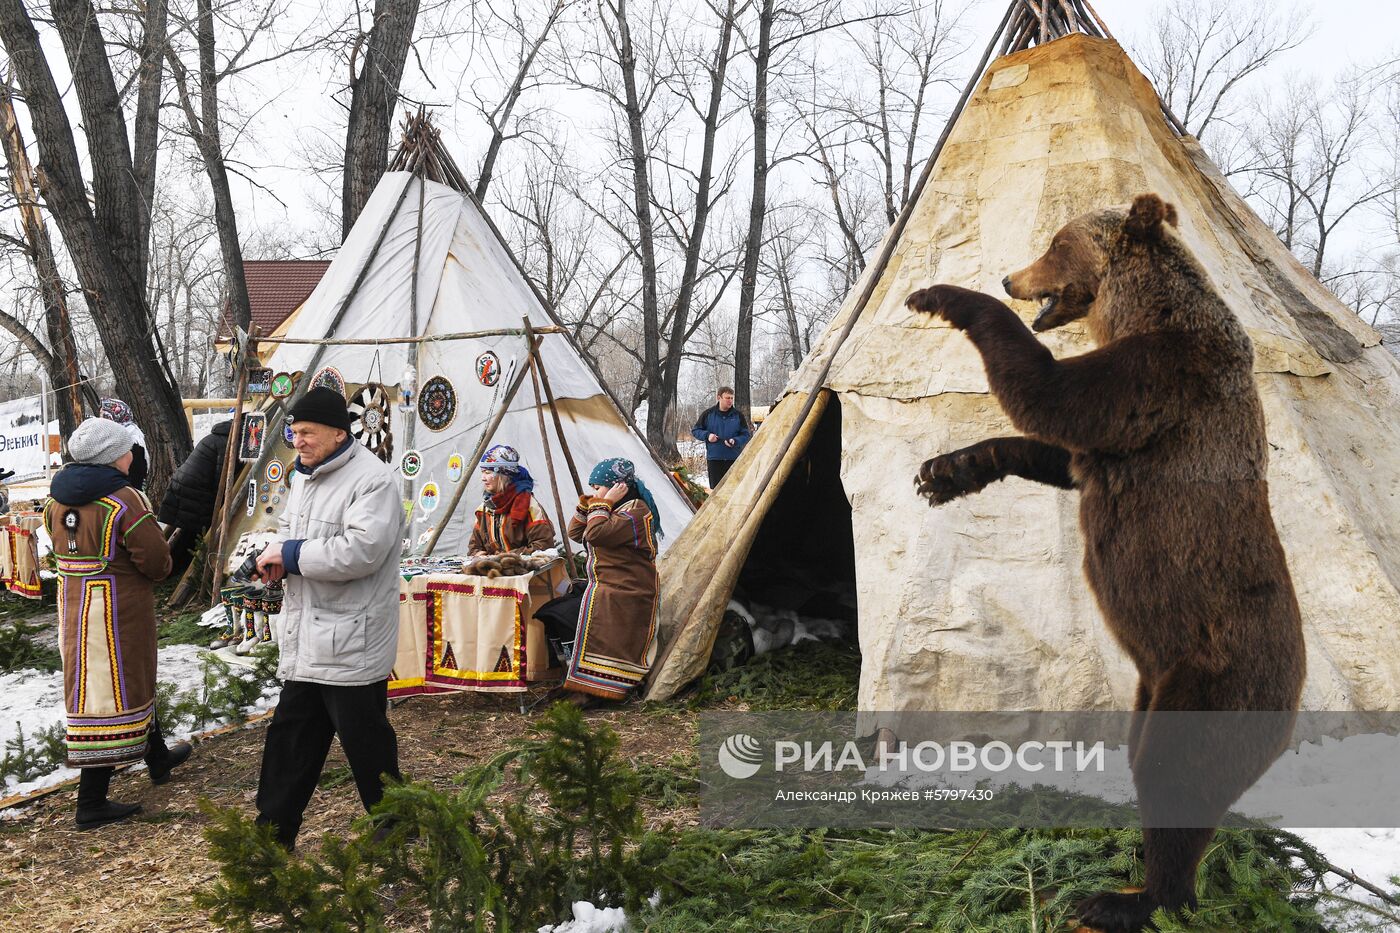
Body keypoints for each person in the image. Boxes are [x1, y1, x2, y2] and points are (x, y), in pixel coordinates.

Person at [252, 386, 405, 849]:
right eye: (294, 432)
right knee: (290, 739)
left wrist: (292, 554)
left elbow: (361, 552)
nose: (297, 441)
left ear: (339, 433)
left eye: (306, 432)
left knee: (366, 744)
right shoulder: (304, 477)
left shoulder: (372, 481)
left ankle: (397, 822)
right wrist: (277, 556)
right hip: (308, 637)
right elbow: (292, 535)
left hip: (352, 640)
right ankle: (273, 834)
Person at [43, 417, 192, 829]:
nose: (132, 454)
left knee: (113, 684)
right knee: (111, 693)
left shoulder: (54, 501)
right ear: (114, 457)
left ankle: (157, 757)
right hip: (118, 611)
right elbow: (158, 563)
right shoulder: (125, 500)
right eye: (128, 448)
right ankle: (91, 802)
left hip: (73, 608)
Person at [560, 457, 662, 705]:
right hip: (609, 586)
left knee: (598, 613)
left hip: (630, 589)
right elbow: (576, 533)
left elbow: (595, 534)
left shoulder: (636, 511)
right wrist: (590, 504)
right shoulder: (613, 509)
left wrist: (603, 503)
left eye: (597, 487)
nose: (594, 493)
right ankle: (590, 687)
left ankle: (611, 689)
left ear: (618, 488)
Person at [156, 419, 233, 576]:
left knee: (187, 528)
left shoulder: (217, 437)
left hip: (186, 485)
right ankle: (177, 570)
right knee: (193, 531)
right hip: (195, 490)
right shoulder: (227, 442)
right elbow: (221, 476)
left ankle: (169, 568)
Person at [468, 444, 557, 556]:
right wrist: (479, 556)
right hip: (494, 572)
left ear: (502, 475)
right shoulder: (484, 509)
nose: (483, 478)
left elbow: (543, 547)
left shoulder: (528, 505)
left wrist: (505, 558)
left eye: (488, 473)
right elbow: (474, 547)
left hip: (527, 571)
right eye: (482, 472)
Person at [690, 386, 751, 488]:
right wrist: (707, 435)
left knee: (733, 490)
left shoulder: (738, 415)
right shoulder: (708, 414)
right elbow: (696, 430)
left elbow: (746, 434)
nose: (730, 401)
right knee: (716, 492)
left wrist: (735, 441)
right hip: (715, 460)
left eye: (732, 398)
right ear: (719, 398)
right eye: (727, 398)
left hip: (733, 459)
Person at [98, 398, 149, 491]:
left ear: (112, 416)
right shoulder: (122, 437)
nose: (100, 420)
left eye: (102, 415)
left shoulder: (132, 444)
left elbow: (134, 479)